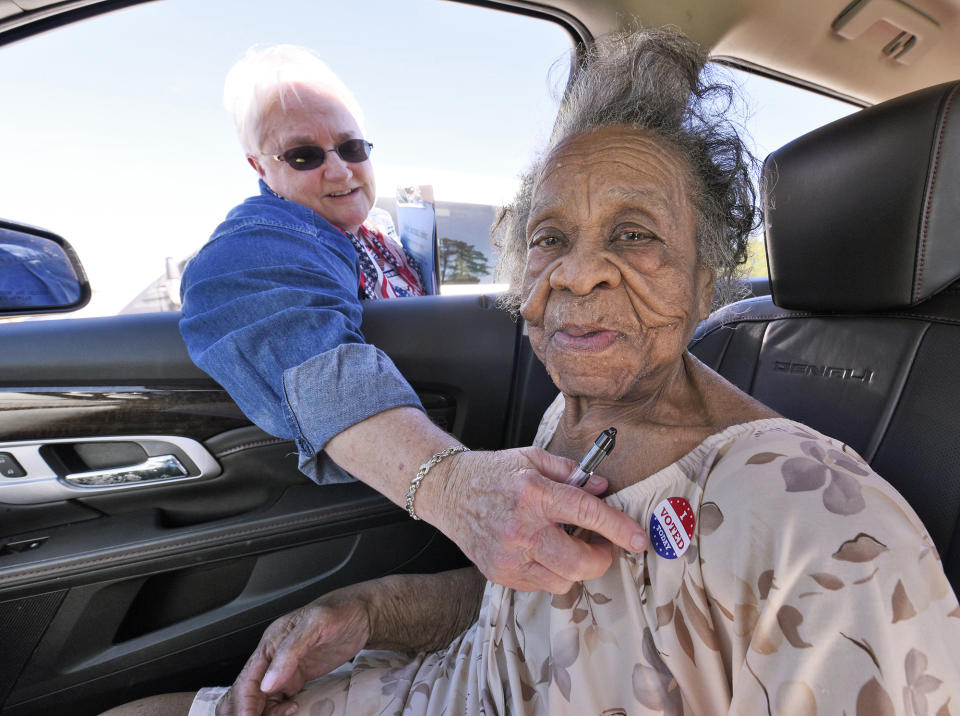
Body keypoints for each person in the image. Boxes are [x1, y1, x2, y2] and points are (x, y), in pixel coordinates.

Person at [109, 28, 960, 716]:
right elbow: (527, 602)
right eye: (551, 237)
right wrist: (370, 610)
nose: (578, 274)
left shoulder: (827, 531)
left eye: (633, 235)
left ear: (709, 280)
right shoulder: (578, 414)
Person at [177, 43, 649, 595]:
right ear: (259, 166)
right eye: (303, 155)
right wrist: (453, 487)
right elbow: (278, 321)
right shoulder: (265, 239)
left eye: (352, 147)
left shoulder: (378, 230)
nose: (339, 169)